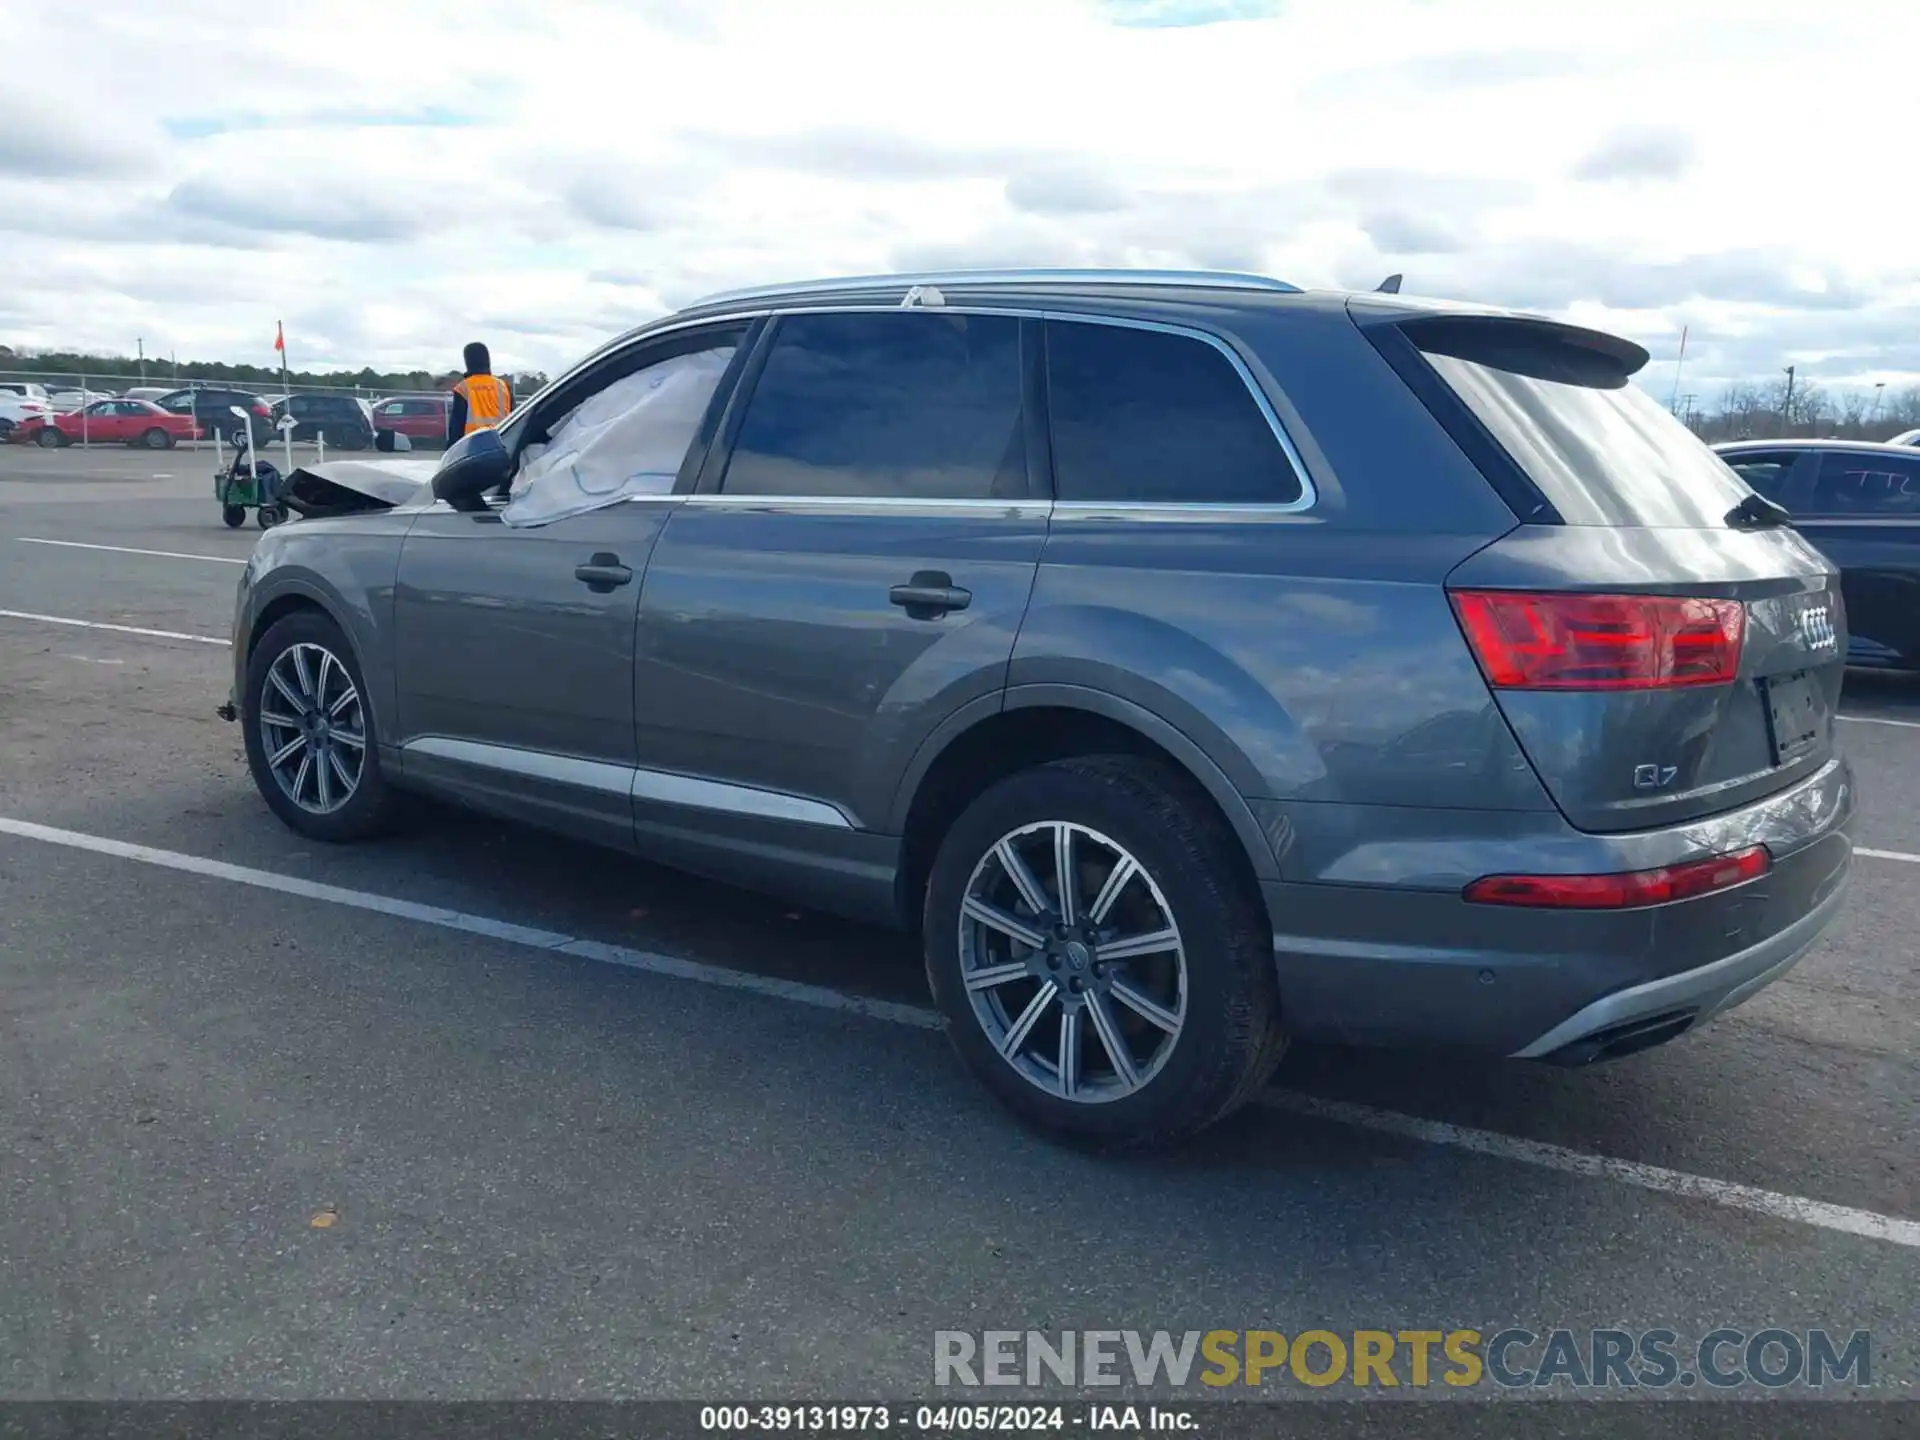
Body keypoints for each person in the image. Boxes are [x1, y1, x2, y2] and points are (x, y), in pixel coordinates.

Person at [447, 341, 512, 446]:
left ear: (467, 362)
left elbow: (456, 426)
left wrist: (450, 450)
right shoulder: (503, 386)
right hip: (502, 443)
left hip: (472, 446)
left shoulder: (463, 388)